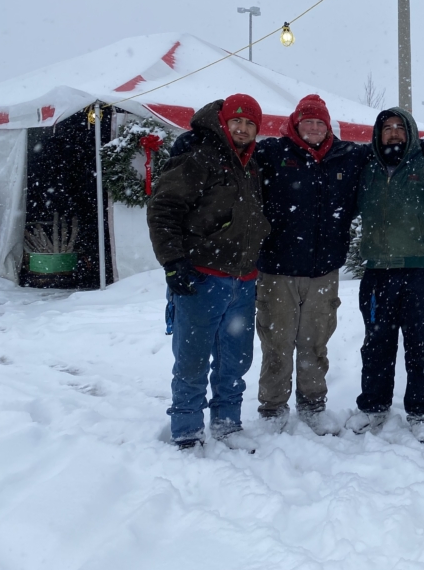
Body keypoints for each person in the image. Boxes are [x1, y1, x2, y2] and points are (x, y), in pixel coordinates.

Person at [147, 94, 271, 450]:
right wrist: (173, 263)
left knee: (237, 358)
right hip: (203, 276)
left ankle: (227, 422)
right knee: (193, 357)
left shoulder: (251, 164)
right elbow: (164, 208)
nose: (243, 128)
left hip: (244, 279)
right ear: (224, 122)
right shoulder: (199, 157)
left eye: (250, 123)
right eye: (237, 121)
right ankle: (186, 428)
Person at [253, 94, 370, 434]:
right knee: (276, 342)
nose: (314, 128)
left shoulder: (345, 156)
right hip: (278, 270)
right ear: (296, 123)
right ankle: (273, 408)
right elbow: (234, 155)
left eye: (320, 122)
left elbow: (387, 148)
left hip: (323, 271)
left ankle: (312, 404)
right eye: (308, 122)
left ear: (327, 126)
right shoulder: (272, 153)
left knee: (314, 342)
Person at [347, 107, 424, 441]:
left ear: (410, 133)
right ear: (378, 134)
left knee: (422, 346)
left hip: (420, 274)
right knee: (376, 345)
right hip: (377, 275)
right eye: (388, 128)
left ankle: (422, 412)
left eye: (401, 127)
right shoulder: (368, 170)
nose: (394, 133)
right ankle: (373, 407)